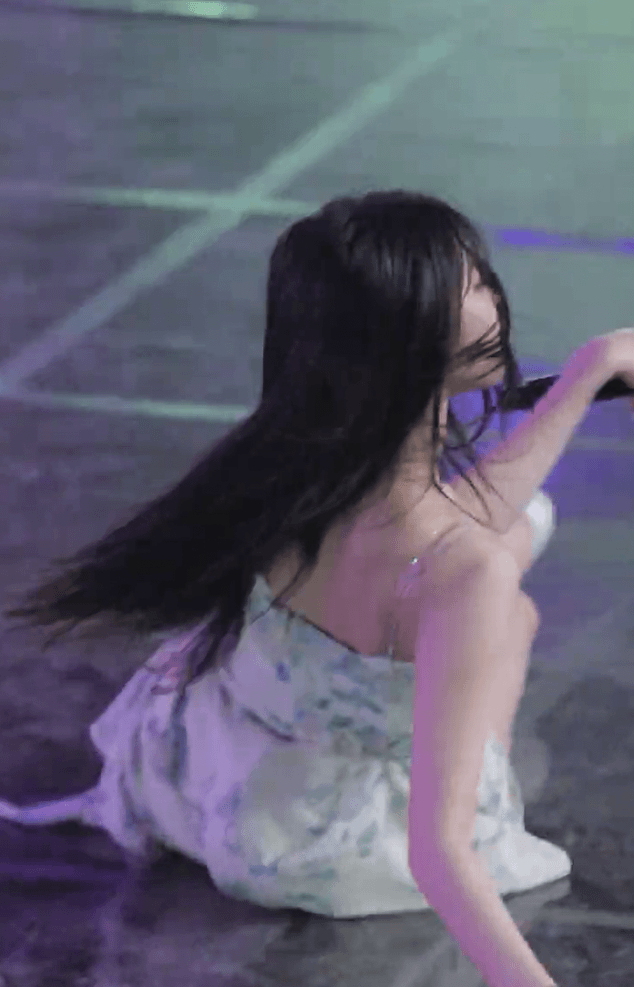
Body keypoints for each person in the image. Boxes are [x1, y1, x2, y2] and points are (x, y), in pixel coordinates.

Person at [2, 191, 634, 986]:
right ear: (408, 341)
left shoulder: (293, 462)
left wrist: (586, 374)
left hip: (219, 786)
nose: (492, 290)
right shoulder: (467, 571)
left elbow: (448, 528)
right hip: (334, 849)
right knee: (514, 607)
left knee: (517, 530)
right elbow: (438, 852)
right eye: (470, 280)